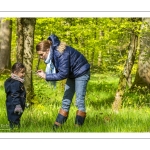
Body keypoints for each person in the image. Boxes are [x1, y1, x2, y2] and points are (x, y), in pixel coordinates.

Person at [36, 34, 90, 130]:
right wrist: (46, 75)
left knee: (79, 101)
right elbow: (61, 70)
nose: (40, 57)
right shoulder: (53, 54)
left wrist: (46, 76)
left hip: (81, 72)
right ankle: (57, 126)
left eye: (41, 54)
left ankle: (78, 128)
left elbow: (63, 74)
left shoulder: (60, 53)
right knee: (66, 100)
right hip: (72, 74)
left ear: (48, 50)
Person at [4, 62, 26, 130]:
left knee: (14, 119)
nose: (23, 74)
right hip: (14, 106)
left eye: (24, 72)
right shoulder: (15, 83)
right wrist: (18, 105)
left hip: (12, 105)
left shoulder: (11, 80)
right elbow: (15, 95)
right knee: (15, 122)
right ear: (15, 72)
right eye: (22, 72)